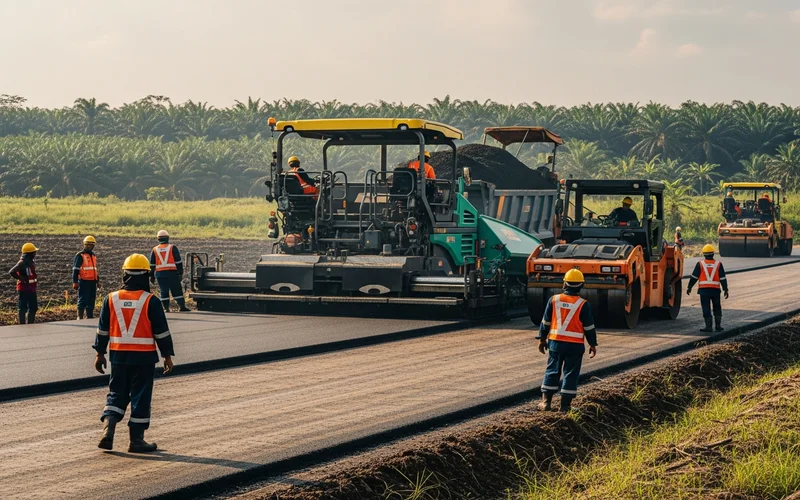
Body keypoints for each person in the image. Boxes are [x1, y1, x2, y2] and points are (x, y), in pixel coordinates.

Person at [94, 253, 175, 452]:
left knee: (116, 392)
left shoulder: (111, 299)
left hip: (118, 356)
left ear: (125, 275)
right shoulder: (151, 301)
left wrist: (99, 353)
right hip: (144, 358)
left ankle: (108, 429)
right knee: (140, 396)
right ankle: (136, 441)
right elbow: (161, 332)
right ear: (147, 276)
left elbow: (102, 330)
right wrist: (167, 356)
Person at [536, 269, 598, 413]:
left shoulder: (554, 300)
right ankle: (565, 406)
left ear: (565, 284)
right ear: (581, 286)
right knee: (571, 373)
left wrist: (542, 339)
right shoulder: (584, 304)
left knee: (552, 370)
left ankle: (546, 403)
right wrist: (592, 344)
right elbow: (589, 327)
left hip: (556, 343)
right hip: (575, 346)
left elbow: (545, 322)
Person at [687, 244, 729, 333]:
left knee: (706, 308)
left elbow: (694, 277)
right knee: (717, 307)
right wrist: (726, 289)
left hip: (704, 291)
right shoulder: (718, 264)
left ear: (704, 254)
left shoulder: (700, 264)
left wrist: (689, 287)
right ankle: (718, 326)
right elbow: (723, 278)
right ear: (713, 254)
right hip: (715, 290)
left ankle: (708, 327)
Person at [149, 230, 189, 312]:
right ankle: (182, 306)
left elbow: (152, 264)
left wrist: (152, 276)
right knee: (176, 289)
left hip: (160, 274)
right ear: (168, 238)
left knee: (164, 291)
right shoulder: (172, 247)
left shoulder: (155, 249)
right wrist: (180, 273)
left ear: (158, 239)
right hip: (172, 273)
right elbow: (178, 261)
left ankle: (166, 308)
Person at [9, 242, 39, 325]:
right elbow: (12, 271)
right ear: (29, 253)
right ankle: (22, 324)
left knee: (33, 307)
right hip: (24, 288)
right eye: (34, 252)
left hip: (31, 288)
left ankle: (30, 324)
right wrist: (21, 279)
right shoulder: (22, 263)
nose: (35, 254)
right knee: (23, 307)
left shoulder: (30, 262)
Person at [73, 235, 101, 319]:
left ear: (93, 246)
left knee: (91, 300)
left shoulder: (93, 255)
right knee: (83, 299)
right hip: (84, 281)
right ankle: (80, 317)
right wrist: (75, 282)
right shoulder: (80, 255)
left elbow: (94, 269)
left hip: (92, 282)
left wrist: (98, 281)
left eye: (90, 244)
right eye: (87, 244)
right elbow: (75, 269)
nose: (88, 246)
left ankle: (90, 316)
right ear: (84, 245)